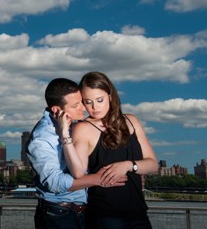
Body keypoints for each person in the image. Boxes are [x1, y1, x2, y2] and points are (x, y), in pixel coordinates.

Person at [61, 71, 158, 229]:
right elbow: (77, 173)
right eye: (88, 102)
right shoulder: (83, 128)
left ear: (110, 96)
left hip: (139, 213)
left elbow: (153, 165)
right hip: (105, 216)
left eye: (99, 100)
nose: (94, 107)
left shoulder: (131, 121)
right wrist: (65, 133)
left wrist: (128, 165)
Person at [26, 78, 126, 229]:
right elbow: (54, 183)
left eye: (81, 102)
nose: (84, 108)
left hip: (85, 212)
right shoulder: (42, 139)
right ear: (56, 110)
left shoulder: (76, 125)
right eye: (75, 105)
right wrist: (99, 179)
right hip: (57, 215)